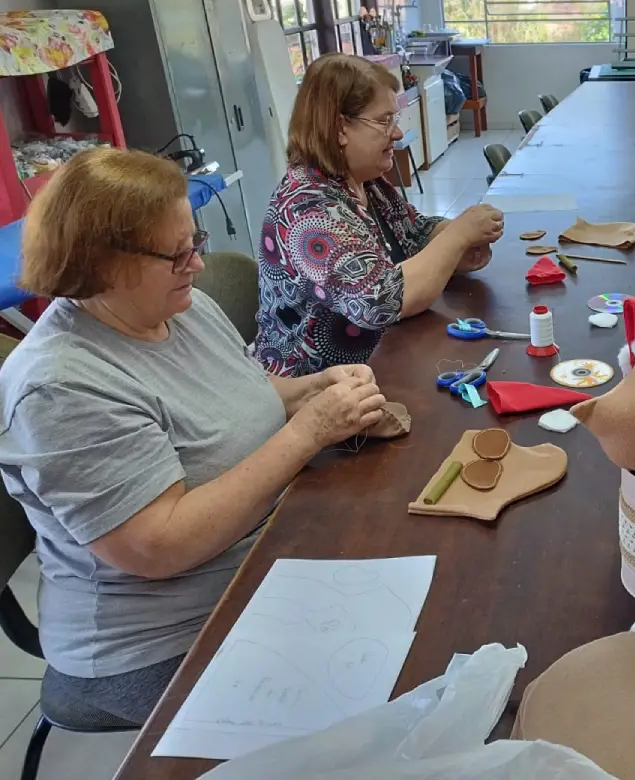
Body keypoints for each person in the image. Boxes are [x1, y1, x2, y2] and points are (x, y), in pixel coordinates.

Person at [0, 148, 386, 723]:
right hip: (154, 640)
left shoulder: (180, 308)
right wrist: (308, 432)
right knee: (361, 706)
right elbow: (160, 544)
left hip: (258, 557)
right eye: (177, 255)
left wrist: (313, 388)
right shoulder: (61, 388)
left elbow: (235, 404)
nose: (197, 266)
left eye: (195, 243)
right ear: (100, 264)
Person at [256, 54, 505, 376]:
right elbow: (379, 302)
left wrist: (459, 242)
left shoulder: (364, 181)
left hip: (384, 359)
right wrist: (458, 236)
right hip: (318, 389)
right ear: (340, 127)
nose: (398, 132)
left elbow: (413, 233)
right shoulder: (308, 210)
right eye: (384, 120)